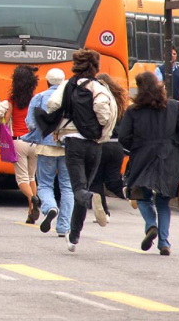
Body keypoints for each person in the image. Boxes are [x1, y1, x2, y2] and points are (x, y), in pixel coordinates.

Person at [44, 49, 118, 252]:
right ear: (96, 66)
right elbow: (104, 110)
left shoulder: (67, 85)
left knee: (79, 189)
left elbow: (52, 104)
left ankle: (86, 205)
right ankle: (74, 236)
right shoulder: (98, 87)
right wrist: (100, 130)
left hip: (73, 143)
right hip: (95, 144)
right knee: (83, 187)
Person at [120, 71, 179, 255]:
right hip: (171, 158)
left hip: (143, 157)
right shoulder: (174, 106)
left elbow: (123, 137)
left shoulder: (133, 111)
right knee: (163, 201)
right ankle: (164, 242)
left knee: (140, 194)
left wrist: (136, 147)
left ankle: (151, 224)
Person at [23, 68, 73, 237]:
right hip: (68, 147)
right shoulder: (72, 98)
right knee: (67, 187)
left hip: (46, 147)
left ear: (47, 82)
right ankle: (64, 227)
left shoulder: (39, 98)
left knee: (45, 184)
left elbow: (30, 124)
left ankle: (50, 207)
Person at [0, 65, 40, 224]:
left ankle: (33, 198)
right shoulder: (36, 99)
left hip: (19, 141)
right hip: (35, 142)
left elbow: (2, 118)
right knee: (31, 177)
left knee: (21, 179)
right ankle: (30, 212)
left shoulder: (12, 100)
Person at [90, 73, 130, 220]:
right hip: (117, 146)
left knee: (96, 180)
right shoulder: (120, 103)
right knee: (113, 179)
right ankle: (127, 193)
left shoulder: (100, 102)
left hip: (102, 144)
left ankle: (103, 212)